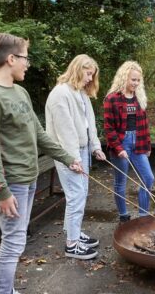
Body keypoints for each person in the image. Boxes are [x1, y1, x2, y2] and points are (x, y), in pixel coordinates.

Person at [0, 32, 82, 294]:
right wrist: (2, 192)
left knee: (17, 241)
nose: (28, 63)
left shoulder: (21, 92)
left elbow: (39, 135)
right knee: (13, 242)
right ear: (11, 59)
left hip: (28, 179)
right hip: (11, 185)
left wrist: (68, 159)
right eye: (25, 57)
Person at [45, 54, 106, 260]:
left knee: (82, 192)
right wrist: (73, 159)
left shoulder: (80, 92)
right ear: (78, 69)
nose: (90, 79)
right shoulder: (60, 93)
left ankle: (74, 233)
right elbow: (65, 131)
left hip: (82, 150)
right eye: (88, 74)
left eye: (92, 75)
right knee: (75, 195)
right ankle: (71, 244)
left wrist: (95, 146)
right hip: (66, 153)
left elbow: (89, 122)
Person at [104, 61, 154, 222]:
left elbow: (144, 124)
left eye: (138, 80)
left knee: (148, 178)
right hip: (121, 143)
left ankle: (143, 215)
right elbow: (109, 127)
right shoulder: (111, 99)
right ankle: (124, 216)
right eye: (133, 79)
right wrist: (119, 148)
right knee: (121, 182)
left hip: (138, 142)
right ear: (124, 77)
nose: (136, 83)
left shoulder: (139, 98)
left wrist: (147, 145)